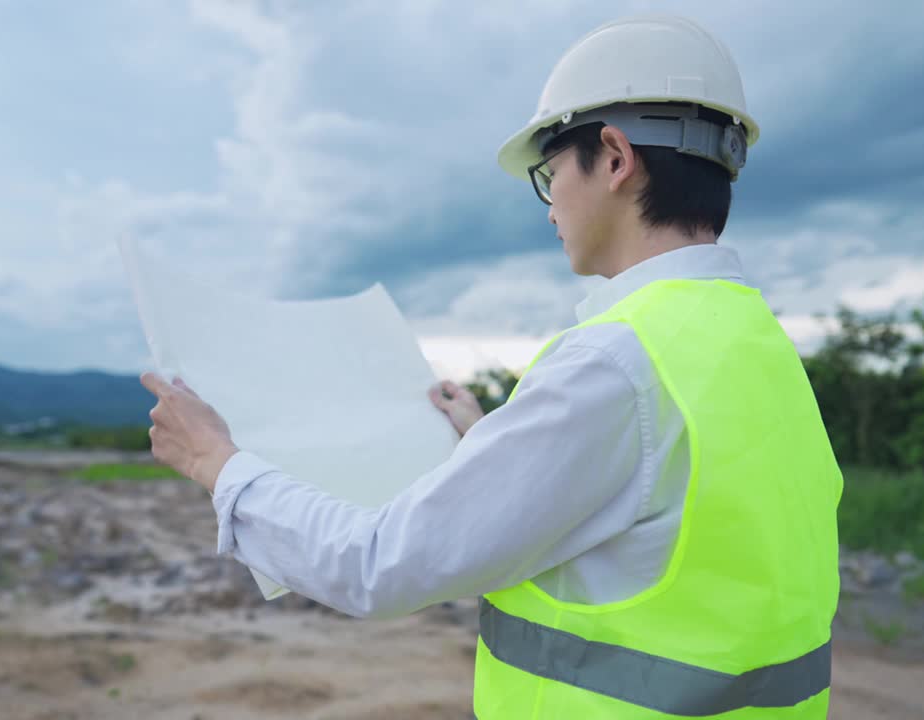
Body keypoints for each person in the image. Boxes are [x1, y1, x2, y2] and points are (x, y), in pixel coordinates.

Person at [141, 13, 841, 718]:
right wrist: (488, 439)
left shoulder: (615, 362)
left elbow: (378, 563)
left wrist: (217, 462)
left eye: (551, 173)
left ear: (615, 156)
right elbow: (642, 506)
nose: (549, 209)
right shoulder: (757, 345)